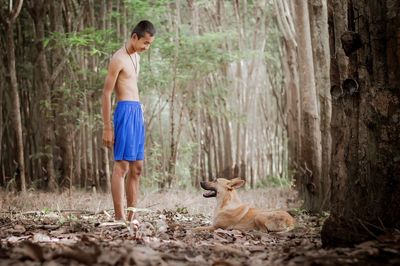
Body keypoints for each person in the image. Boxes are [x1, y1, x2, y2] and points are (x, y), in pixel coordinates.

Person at [102, 20, 155, 222]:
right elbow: (106, 94)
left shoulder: (136, 58)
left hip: (136, 111)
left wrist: (139, 110)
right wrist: (108, 127)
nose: (146, 48)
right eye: (145, 43)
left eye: (150, 44)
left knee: (137, 167)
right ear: (134, 37)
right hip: (124, 112)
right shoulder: (118, 59)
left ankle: (132, 217)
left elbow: (132, 85)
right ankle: (119, 217)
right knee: (122, 166)